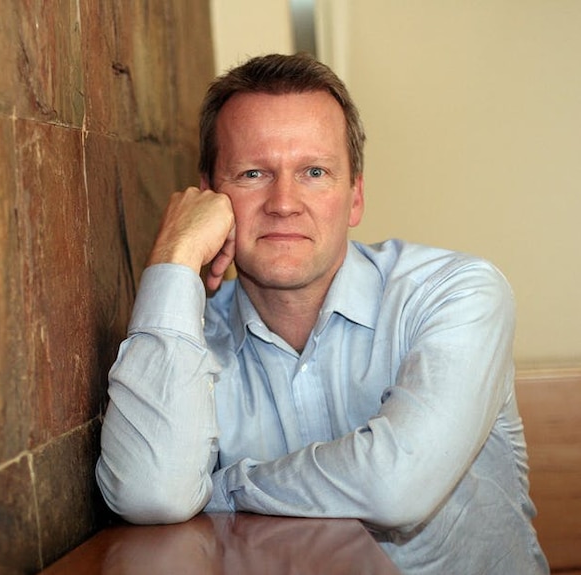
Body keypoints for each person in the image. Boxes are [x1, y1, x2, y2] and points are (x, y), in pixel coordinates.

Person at [96, 53, 548, 574]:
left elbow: (397, 485)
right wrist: (175, 258)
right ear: (210, 197)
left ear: (354, 196)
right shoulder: (192, 341)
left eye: (314, 172)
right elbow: (151, 494)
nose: (284, 202)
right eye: (252, 173)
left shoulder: (455, 295)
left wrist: (223, 487)